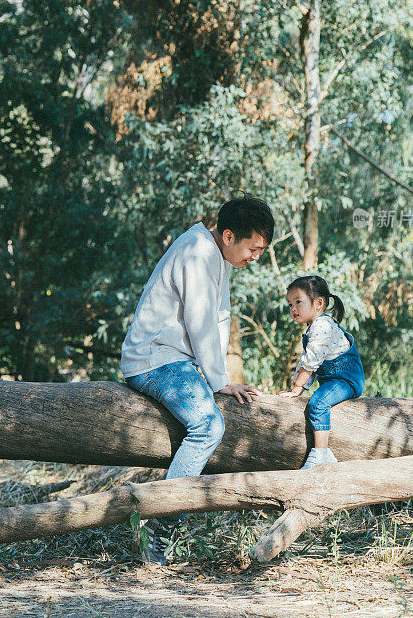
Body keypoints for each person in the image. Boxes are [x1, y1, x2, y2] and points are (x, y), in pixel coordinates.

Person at [121, 195, 274, 564]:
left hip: (178, 361)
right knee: (208, 427)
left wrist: (221, 377)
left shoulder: (218, 256)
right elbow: (200, 321)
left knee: (208, 420)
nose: (255, 256)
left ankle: (164, 523)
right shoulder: (198, 252)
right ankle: (160, 526)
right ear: (228, 235)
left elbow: (219, 319)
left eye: (261, 250)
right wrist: (219, 381)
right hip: (155, 359)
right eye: (253, 248)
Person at [278, 275, 364, 469]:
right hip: (333, 380)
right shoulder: (313, 328)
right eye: (290, 304)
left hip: (346, 380)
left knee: (318, 404)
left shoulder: (323, 326)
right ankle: (323, 454)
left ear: (318, 303)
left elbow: (310, 363)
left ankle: (321, 454)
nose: (293, 309)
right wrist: (298, 388)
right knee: (316, 399)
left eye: (298, 302)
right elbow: (307, 361)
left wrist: (298, 386)